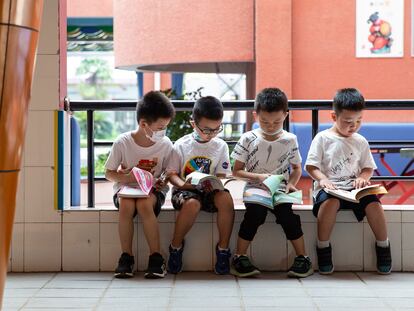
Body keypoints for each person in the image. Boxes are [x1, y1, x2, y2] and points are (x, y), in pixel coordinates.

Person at [305, 88, 392, 275]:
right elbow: (311, 166)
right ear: (333, 116)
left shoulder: (360, 141)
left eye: (359, 121)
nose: (353, 126)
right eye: (348, 122)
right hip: (330, 189)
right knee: (330, 203)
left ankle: (383, 247)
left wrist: (363, 178)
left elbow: (368, 167)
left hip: (354, 189)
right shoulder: (323, 138)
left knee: (375, 204)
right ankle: (323, 248)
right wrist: (323, 179)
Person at [230, 87, 313, 278]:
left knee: (287, 216)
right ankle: (239, 257)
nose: (270, 126)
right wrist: (258, 177)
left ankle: (303, 258)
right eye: (264, 121)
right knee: (254, 214)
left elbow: (297, 169)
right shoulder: (248, 138)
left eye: (277, 121)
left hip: (281, 187)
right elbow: (236, 171)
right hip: (255, 187)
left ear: (286, 114)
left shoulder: (290, 139)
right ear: (255, 115)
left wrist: (292, 184)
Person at [105, 90, 175, 279]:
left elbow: (169, 172)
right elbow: (108, 173)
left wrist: (162, 181)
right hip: (126, 190)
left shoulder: (165, 144)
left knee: (144, 203)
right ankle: (126, 257)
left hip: (152, 192)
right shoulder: (123, 142)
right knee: (126, 204)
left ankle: (156, 257)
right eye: (160, 127)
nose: (163, 132)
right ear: (144, 124)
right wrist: (128, 178)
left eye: (165, 127)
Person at [166, 96, 235, 275]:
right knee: (192, 204)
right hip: (185, 191)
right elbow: (172, 174)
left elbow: (221, 174)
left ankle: (223, 249)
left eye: (216, 129)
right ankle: (175, 246)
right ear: (193, 124)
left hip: (210, 190)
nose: (211, 134)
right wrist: (184, 185)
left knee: (226, 199)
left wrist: (215, 183)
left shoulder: (221, 146)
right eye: (206, 130)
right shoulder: (181, 145)